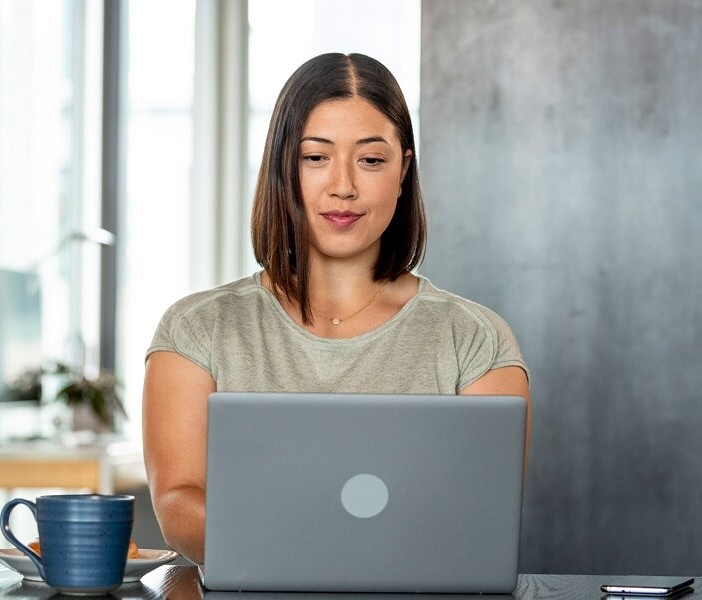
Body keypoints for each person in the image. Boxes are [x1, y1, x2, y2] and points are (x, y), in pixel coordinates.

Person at [141, 53, 530, 566]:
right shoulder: (196, 329)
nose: (343, 185)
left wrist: (295, 536)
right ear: (283, 165)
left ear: (402, 170)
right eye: (315, 157)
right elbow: (178, 506)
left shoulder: (475, 340)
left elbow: (483, 518)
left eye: (370, 160)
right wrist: (327, 546)